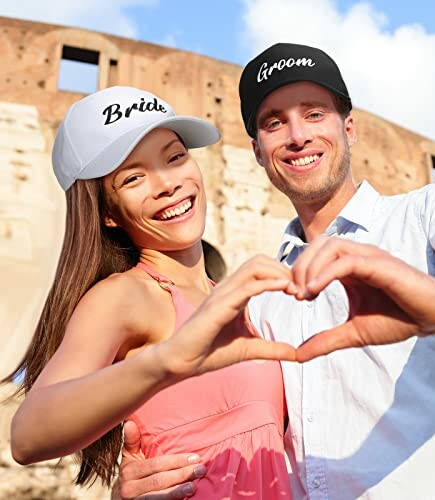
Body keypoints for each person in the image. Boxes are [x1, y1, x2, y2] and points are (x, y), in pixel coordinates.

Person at [118, 43, 435, 499]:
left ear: (350, 127)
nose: (297, 135)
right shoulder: (259, 297)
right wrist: (145, 484)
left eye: (314, 113)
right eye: (274, 123)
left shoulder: (428, 214)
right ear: (259, 152)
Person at [4, 86, 299, 499]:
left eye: (175, 157)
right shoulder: (127, 296)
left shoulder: (237, 303)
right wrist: (166, 361)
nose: (167, 184)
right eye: (134, 177)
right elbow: (29, 435)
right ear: (107, 213)